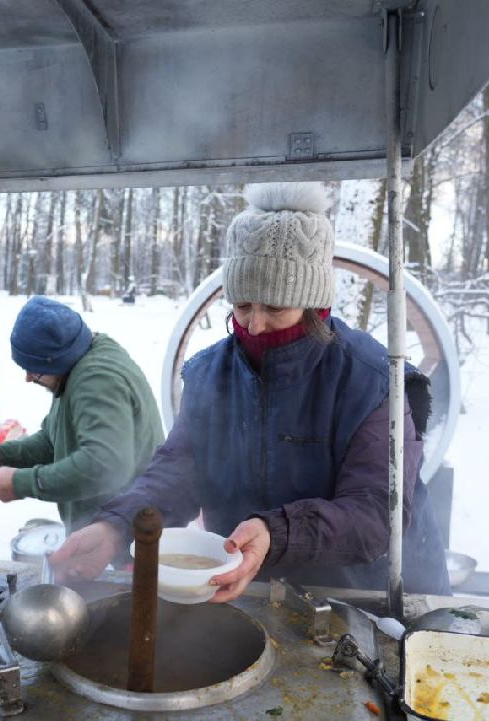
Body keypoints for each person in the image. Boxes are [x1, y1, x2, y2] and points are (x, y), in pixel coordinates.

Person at [51, 182, 450, 601]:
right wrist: (116, 526)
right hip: (249, 589)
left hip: (361, 597)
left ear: (314, 305)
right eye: (242, 305)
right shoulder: (210, 373)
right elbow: (178, 472)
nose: (254, 325)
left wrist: (274, 533)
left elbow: (375, 514)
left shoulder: (370, 380)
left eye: (274, 307)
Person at [0, 296, 164, 533]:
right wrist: (0, 455)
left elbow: (104, 465)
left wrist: (21, 483)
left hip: (128, 534)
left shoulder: (97, 380)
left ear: (57, 360)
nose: (28, 378)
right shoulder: (77, 363)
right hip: (100, 528)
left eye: (35, 370)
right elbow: (53, 440)